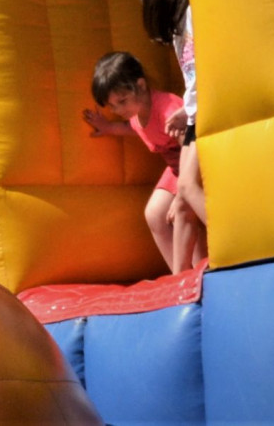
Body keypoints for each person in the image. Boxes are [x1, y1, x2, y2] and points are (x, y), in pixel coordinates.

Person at [83, 51, 203, 274]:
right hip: (175, 167)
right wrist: (109, 128)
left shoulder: (166, 109)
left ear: (141, 85)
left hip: (195, 164)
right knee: (154, 214)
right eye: (113, 106)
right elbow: (134, 128)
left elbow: (190, 144)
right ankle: (180, 276)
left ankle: (199, 268)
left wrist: (181, 195)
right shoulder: (137, 113)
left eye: (122, 101)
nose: (119, 110)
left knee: (182, 212)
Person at [136, 0, 208, 272]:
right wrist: (186, 108)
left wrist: (193, 107)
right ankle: (180, 280)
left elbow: (208, 70)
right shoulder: (179, 28)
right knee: (181, 204)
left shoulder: (193, 15)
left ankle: (240, 249)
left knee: (187, 190)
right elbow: (195, 77)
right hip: (195, 115)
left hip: (206, 118)